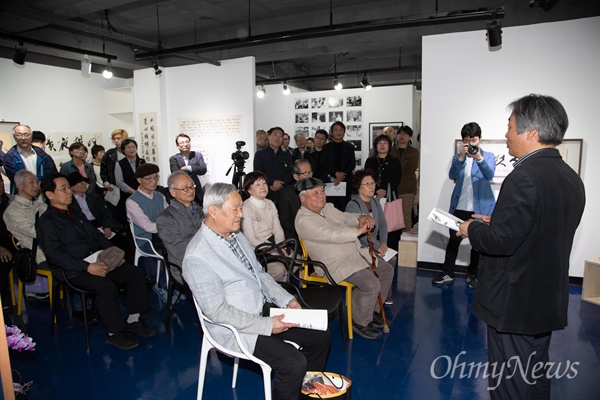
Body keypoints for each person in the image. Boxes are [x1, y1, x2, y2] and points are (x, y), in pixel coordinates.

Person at [458, 94, 585, 399]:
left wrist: (471, 228)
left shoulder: (523, 176)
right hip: (545, 299)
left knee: (509, 385)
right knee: (535, 376)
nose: (505, 135)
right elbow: (539, 230)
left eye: (510, 126)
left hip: (515, 302)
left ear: (530, 133)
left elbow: (501, 243)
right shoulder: (570, 177)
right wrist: (498, 222)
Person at [182, 182, 330, 400]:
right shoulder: (197, 256)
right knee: (293, 362)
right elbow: (218, 312)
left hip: (261, 309)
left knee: (321, 338)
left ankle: (305, 392)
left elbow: (259, 274)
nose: (241, 215)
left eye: (241, 207)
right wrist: (267, 325)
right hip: (237, 327)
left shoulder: (235, 236)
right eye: (235, 208)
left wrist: (285, 299)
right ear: (213, 211)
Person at [36, 173, 155, 350]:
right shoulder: (46, 222)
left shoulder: (75, 213)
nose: (69, 192)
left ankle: (133, 320)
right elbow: (56, 256)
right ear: (50, 195)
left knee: (134, 273)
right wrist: (87, 267)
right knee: (106, 286)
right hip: (74, 269)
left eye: (69, 187)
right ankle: (114, 333)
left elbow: (96, 236)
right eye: (64, 189)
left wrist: (113, 254)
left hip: (98, 258)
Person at [295, 177, 393, 340]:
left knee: (386, 271)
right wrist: (358, 231)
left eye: (322, 191)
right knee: (371, 283)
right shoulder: (303, 220)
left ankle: (371, 311)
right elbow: (332, 235)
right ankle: (360, 321)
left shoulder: (327, 208)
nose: (321, 196)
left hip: (354, 254)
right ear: (303, 199)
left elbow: (344, 217)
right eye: (315, 193)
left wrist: (360, 217)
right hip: (334, 264)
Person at [432, 122, 496, 288]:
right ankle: (448, 272)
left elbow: (489, 174)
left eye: (474, 140)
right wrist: (460, 158)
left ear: (480, 139)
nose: (471, 144)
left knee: (477, 243)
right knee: (453, 240)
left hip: (479, 209)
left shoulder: (487, 156)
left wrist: (478, 158)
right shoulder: (459, 158)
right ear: (463, 141)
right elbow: (452, 174)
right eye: (468, 141)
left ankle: (472, 274)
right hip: (459, 207)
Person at [346, 169, 396, 305]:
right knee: (385, 261)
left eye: (372, 183)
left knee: (392, 257)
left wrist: (384, 243)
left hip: (374, 242)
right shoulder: (353, 205)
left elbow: (383, 224)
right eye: (367, 184)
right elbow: (358, 234)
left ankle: (384, 296)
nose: (371, 186)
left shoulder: (374, 201)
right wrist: (376, 246)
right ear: (358, 187)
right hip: (361, 246)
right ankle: (377, 297)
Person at [156, 171, 204, 283]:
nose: (191, 191)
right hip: (184, 265)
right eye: (185, 189)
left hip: (206, 258)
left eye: (192, 186)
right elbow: (179, 251)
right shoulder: (165, 219)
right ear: (172, 192)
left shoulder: (200, 210)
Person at [240, 172, 287, 281]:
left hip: (274, 245)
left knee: (297, 260)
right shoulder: (246, 208)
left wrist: (280, 246)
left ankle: (288, 291)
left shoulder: (270, 203)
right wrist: (274, 249)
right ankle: (271, 292)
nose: (263, 187)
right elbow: (251, 239)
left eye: (264, 183)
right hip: (258, 250)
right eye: (258, 185)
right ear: (249, 190)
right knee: (280, 268)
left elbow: (278, 230)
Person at [364, 134, 402, 251]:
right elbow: (366, 177)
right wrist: (377, 190)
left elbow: (397, 178)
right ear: (375, 146)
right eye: (379, 143)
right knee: (374, 223)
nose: (382, 145)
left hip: (390, 197)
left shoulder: (394, 161)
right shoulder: (370, 161)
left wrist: (384, 191)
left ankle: (391, 252)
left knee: (390, 226)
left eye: (385, 143)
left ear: (389, 146)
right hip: (372, 196)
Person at [126, 163, 167, 254]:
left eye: (156, 177)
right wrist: (169, 226)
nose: (154, 181)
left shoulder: (160, 196)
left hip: (163, 235)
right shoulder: (132, 202)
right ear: (139, 180)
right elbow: (147, 226)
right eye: (149, 178)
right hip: (147, 240)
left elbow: (168, 216)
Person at [3, 125, 57, 194]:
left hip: (43, 194)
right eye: (19, 135)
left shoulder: (41, 154)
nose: (23, 138)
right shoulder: (9, 157)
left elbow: (52, 174)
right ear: (14, 137)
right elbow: (16, 179)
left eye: (26, 134)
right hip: (22, 196)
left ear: (31, 136)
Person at [253, 127, 293, 205]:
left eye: (280, 136)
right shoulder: (260, 154)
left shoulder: (287, 155)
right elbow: (258, 172)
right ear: (268, 136)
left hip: (283, 191)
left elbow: (291, 172)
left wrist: (280, 184)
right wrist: (272, 182)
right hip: (265, 190)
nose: (278, 138)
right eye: (275, 135)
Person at [321, 121, 355, 210]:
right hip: (330, 180)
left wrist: (341, 175)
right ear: (332, 132)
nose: (338, 132)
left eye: (341, 130)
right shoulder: (326, 147)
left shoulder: (349, 147)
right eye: (336, 130)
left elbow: (352, 164)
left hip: (345, 180)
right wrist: (336, 173)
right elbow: (324, 163)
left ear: (344, 132)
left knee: (344, 207)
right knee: (329, 208)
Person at [278, 159, 312, 240]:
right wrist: (301, 231)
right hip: (296, 234)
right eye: (304, 173)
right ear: (296, 176)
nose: (309, 176)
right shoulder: (286, 194)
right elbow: (285, 221)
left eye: (310, 172)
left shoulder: (316, 189)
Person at [168, 133, 206, 206]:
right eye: (182, 143)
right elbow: (176, 173)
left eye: (187, 141)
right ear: (178, 146)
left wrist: (187, 167)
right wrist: (195, 169)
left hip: (197, 190)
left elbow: (203, 169)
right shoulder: (174, 159)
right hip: (183, 190)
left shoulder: (197, 155)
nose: (185, 144)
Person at [114, 138, 145, 223]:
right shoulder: (119, 164)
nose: (131, 149)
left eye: (133, 147)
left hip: (143, 194)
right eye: (128, 147)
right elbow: (119, 182)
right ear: (124, 150)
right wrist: (134, 192)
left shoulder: (142, 162)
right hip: (128, 195)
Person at [395, 125, 420, 231]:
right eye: (400, 133)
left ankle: (405, 241)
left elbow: (410, 169)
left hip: (407, 188)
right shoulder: (391, 150)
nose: (402, 136)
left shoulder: (414, 152)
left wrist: (394, 167)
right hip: (393, 188)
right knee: (393, 217)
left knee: (406, 216)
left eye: (405, 134)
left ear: (410, 137)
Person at [0, 179, 15, 306]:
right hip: (1, 244)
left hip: (15, 238)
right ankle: (3, 298)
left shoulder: (12, 200)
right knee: (4, 260)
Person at [100, 128, 127, 194]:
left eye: (118, 138)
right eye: (114, 139)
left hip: (127, 185)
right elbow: (103, 170)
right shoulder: (109, 154)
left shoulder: (130, 152)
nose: (116, 141)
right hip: (113, 186)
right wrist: (106, 182)